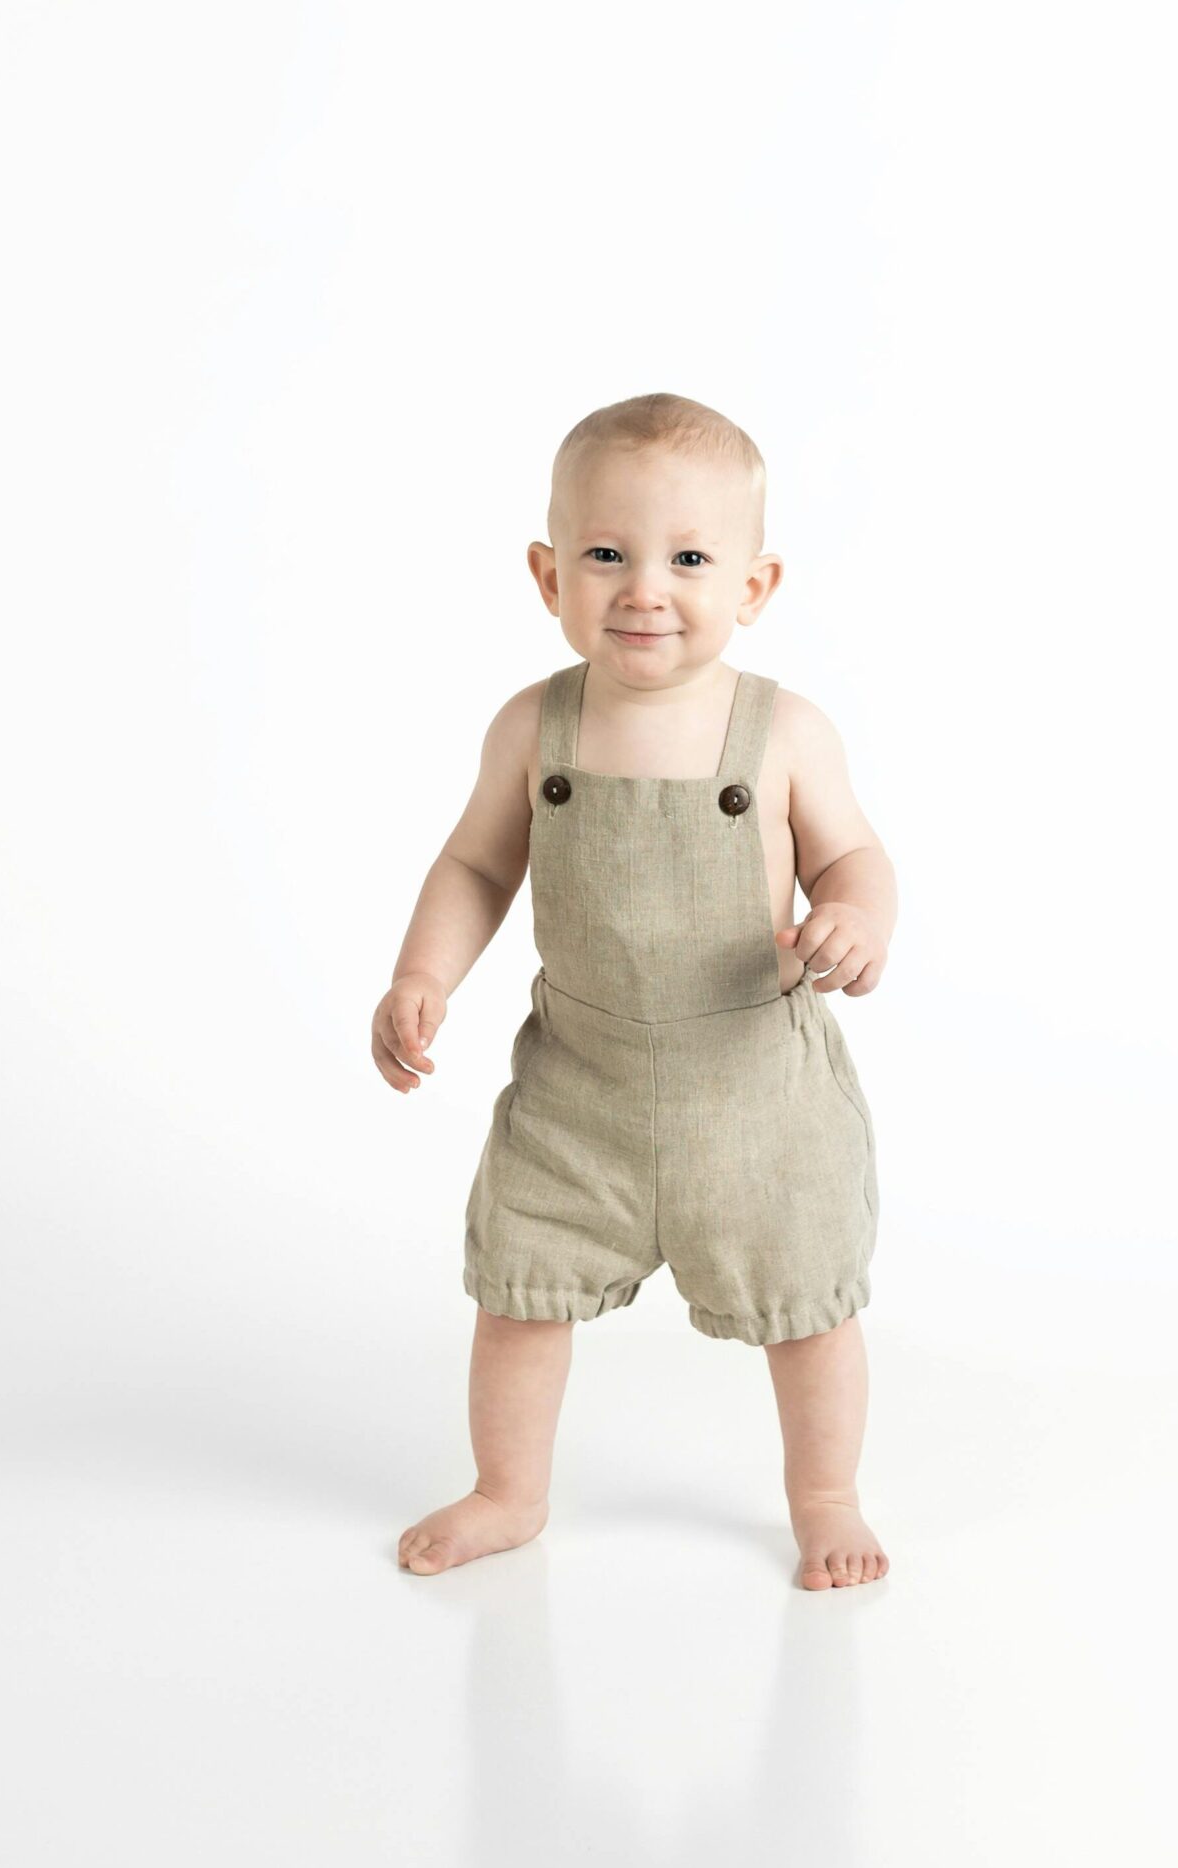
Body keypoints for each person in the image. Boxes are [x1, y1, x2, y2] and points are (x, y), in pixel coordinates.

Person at [373, 393, 896, 1590]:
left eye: (689, 558)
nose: (643, 587)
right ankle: (507, 1489)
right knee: (518, 1292)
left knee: (805, 1306)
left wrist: (857, 917)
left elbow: (855, 855)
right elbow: (474, 862)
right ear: (547, 573)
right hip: (580, 1084)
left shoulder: (783, 732)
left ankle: (824, 1492)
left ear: (754, 586)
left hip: (753, 1089)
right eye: (605, 554)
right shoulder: (532, 726)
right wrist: (422, 974)